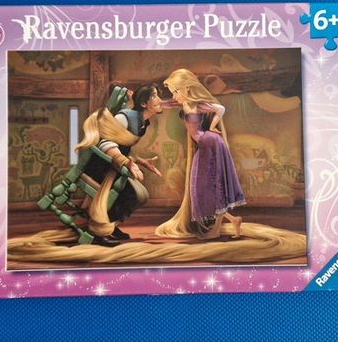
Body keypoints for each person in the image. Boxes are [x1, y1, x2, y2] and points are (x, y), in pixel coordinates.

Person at [155, 69, 245, 239]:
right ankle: (233, 220)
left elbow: (220, 109)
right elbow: (164, 104)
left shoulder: (197, 104)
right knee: (201, 187)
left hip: (209, 143)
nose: (174, 96)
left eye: (176, 91)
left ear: (187, 88)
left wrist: (212, 126)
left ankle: (218, 228)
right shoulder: (184, 103)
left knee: (209, 185)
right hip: (204, 144)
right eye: (172, 92)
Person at [75, 84, 163, 244]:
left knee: (142, 195)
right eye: (154, 96)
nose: (159, 100)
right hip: (100, 165)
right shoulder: (124, 118)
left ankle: (109, 225)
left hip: (114, 166)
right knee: (135, 195)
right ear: (144, 104)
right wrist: (128, 163)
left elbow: (122, 148)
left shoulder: (143, 123)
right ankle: (98, 231)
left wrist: (141, 161)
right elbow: (105, 143)